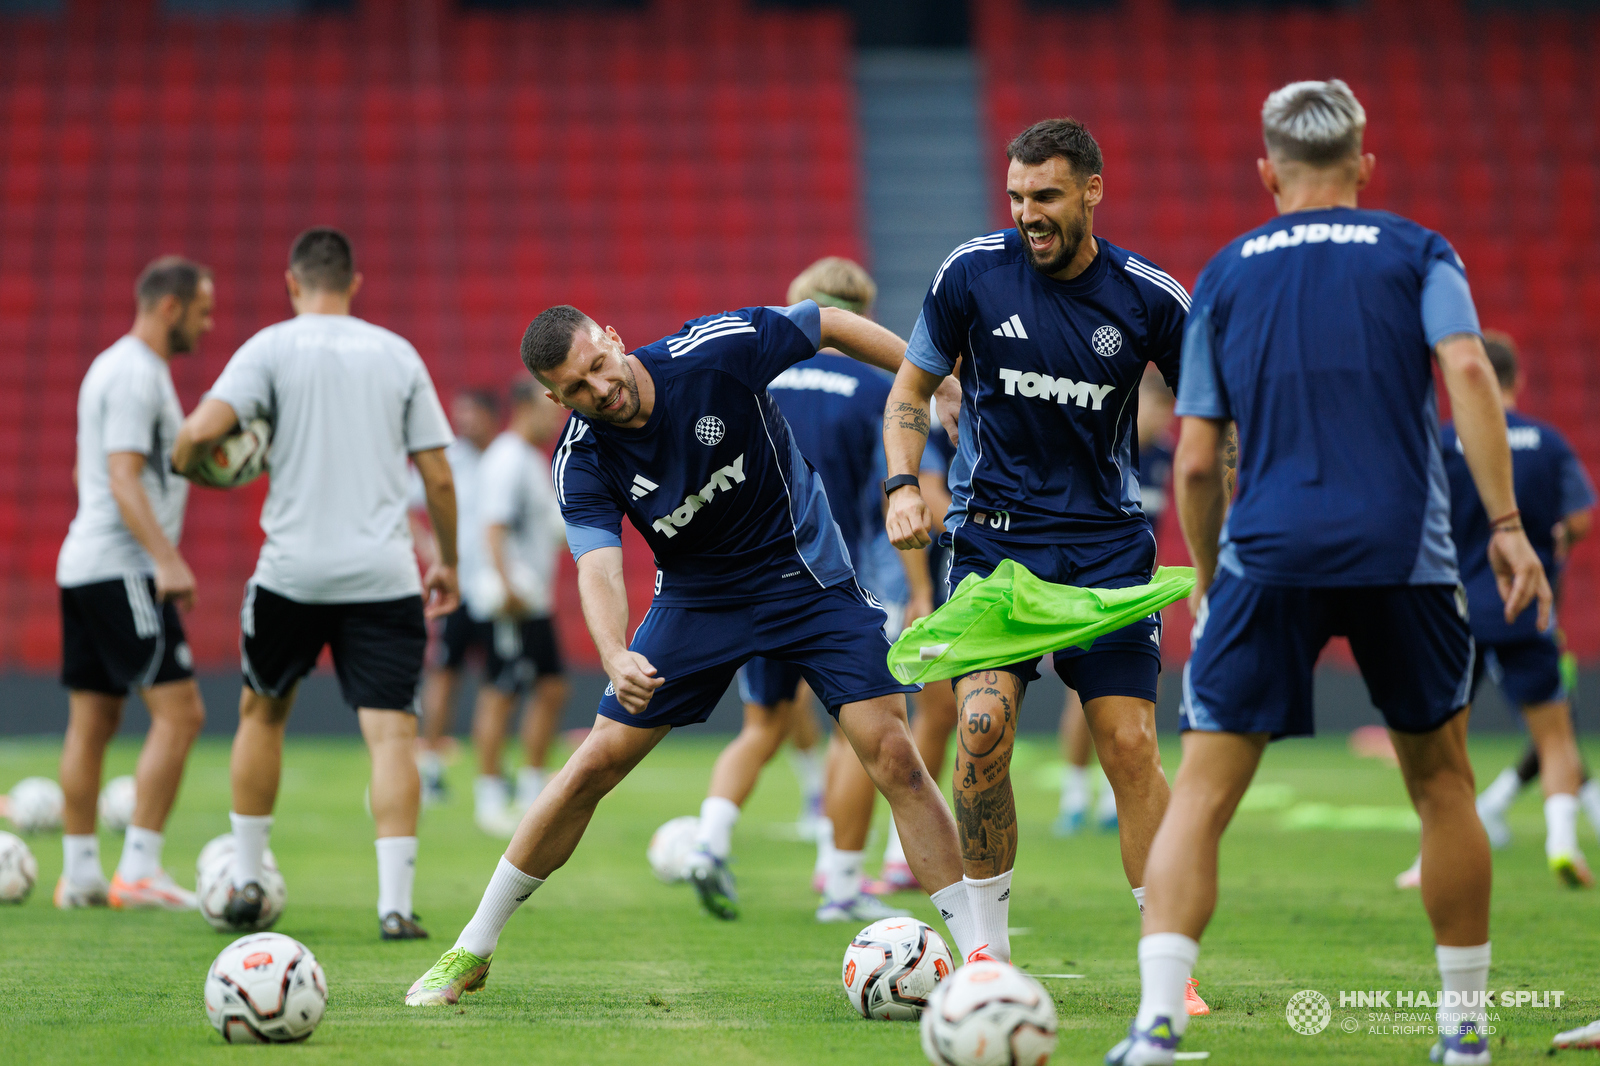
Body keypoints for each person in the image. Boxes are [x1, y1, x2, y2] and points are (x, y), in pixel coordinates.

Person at [1107, 80, 1550, 1066]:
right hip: (1404, 554)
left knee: (1201, 796)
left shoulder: (1225, 272)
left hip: (1268, 553)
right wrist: (1507, 525)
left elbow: (1194, 459)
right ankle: (1464, 1034)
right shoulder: (1419, 251)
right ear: (1365, 165)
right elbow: (1468, 371)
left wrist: (1211, 575)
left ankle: (1157, 1027)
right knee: (1442, 787)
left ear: (1268, 173)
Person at [404, 298, 979, 1006]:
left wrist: (934, 382)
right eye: (576, 388)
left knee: (893, 754)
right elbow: (596, 566)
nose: (599, 389)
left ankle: (982, 955)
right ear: (555, 399)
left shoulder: (714, 352)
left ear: (613, 338)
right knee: (594, 763)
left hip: (805, 577)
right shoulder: (581, 459)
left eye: (599, 365)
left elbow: (828, 321)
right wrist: (613, 653)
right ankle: (473, 946)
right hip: (698, 602)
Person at [883, 118, 1192, 982]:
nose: (1028, 214)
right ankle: (988, 954)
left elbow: (1215, 414)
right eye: (1018, 197)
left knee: (1129, 744)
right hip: (995, 546)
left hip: (1107, 552)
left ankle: (1170, 967)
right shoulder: (971, 274)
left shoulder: (1150, 298)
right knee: (980, 729)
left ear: (1093, 190)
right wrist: (902, 484)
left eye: (1046, 196)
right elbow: (910, 388)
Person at [173, 228, 459, 941]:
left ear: (292, 283)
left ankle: (246, 879)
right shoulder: (397, 354)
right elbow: (438, 476)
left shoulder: (269, 349)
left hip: (292, 573)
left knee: (262, 714)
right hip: (382, 573)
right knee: (392, 735)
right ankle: (395, 907)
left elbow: (198, 433)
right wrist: (447, 562)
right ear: (354, 283)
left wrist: (187, 460)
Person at [1394, 329, 1596, 889]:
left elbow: (1415, 514)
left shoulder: (1444, 442)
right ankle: (1562, 843)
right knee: (1555, 738)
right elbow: (1581, 517)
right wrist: (1555, 540)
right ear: (1518, 379)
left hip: (1455, 612)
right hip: (1526, 607)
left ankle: (1428, 861)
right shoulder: (1548, 443)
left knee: (1444, 745)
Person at [54, 256, 214, 910]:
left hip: (84, 564)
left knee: (93, 719)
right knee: (182, 714)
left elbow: (85, 473)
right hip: (122, 568)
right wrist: (165, 560)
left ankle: (81, 874)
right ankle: (139, 869)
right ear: (170, 307)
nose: (207, 325)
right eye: (201, 311)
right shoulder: (135, 375)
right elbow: (121, 476)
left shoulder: (112, 368)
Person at [1057, 368, 1175, 837]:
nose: (1164, 419)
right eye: (1158, 407)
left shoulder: (1164, 456)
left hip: (1137, 586)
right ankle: (1073, 795)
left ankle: (1113, 799)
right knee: (1081, 693)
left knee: (1141, 693)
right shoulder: (1101, 445)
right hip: (1089, 583)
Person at [464, 381, 571, 835]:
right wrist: (506, 586)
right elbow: (493, 527)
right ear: (527, 407)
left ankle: (530, 789)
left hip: (532, 598)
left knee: (550, 687)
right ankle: (489, 797)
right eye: (551, 409)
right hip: (512, 599)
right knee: (501, 690)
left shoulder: (528, 459)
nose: (557, 417)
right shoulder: (507, 458)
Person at [413, 389, 501, 807]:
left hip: (496, 592)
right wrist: (431, 550)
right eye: (459, 414)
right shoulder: (451, 459)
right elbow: (406, 504)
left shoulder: (504, 458)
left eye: (471, 413)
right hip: (460, 587)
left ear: (490, 415)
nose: (463, 422)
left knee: (498, 682)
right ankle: (430, 766)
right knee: (445, 675)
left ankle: (491, 773)